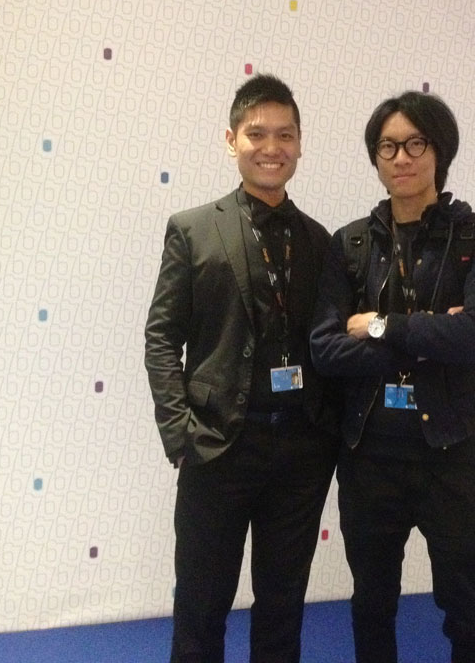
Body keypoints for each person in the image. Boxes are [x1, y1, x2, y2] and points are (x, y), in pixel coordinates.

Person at [310, 90, 475, 663]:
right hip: (369, 455)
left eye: (415, 143)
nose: (401, 157)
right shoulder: (350, 244)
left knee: (467, 605)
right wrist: (429, 337)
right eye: (388, 146)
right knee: (372, 604)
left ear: (439, 151)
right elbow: (325, 349)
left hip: (452, 453)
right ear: (375, 157)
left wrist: (379, 326)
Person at [145, 74, 339, 663]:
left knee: (283, 607)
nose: (271, 147)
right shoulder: (192, 229)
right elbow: (161, 337)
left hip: (301, 454)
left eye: (285, 135)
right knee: (201, 607)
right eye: (257, 133)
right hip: (217, 447)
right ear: (232, 140)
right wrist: (180, 433)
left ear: (300, 144)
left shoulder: (320, 241)